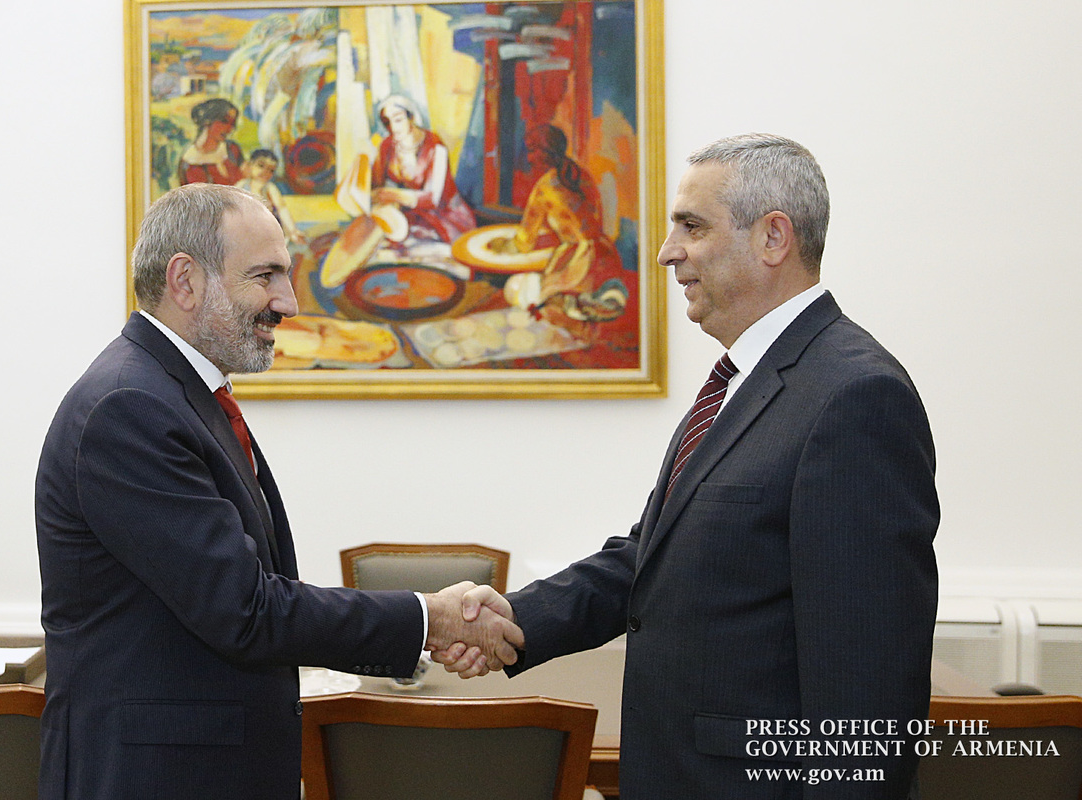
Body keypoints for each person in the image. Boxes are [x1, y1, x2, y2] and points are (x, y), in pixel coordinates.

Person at [436, 134, 939, 799]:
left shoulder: (854, 397)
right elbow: (652, 559)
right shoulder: (743, 380)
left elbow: (868, 686)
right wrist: (515, 617)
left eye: (692, 227)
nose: (667, 252)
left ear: (773, 238)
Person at [34, 182, 522, 800]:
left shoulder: (175, 392)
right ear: (185, 281)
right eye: (264, 276)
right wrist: (428, 618)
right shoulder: (129, 407)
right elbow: (244, 610)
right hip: (152, 778)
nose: (287, 302)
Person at [495, 124, 627, 325]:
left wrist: (500, 246)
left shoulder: (544, 188)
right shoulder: (580, 174)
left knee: (521, 290)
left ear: (546, 152)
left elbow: (524, 242)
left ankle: (575, 303)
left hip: (578, 262)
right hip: (606, 255)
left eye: (532, 151)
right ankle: (600, 298)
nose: (529, 158)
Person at [370, 94, 476, 244]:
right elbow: (377, 184)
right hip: (407, 216)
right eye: (387, 122)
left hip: (444, 217)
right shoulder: (386, 145)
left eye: (398, 119)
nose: (392, 128)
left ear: (411, 118)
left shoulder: (435, 146)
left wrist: (392, 194)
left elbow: (432, 199)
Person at [236, 148, 307, 245]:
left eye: (271, 170)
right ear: (250, 165)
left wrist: (292, 231)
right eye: (261, 166)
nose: (265, 172)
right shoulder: (242, 185)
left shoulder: (269, 188)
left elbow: (282, 209)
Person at [176, 97, 244, 186]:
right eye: (224, 122)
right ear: (207, 121)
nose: (229, 129)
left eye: (232, 124)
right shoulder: (189, 161)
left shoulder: (232, 150)